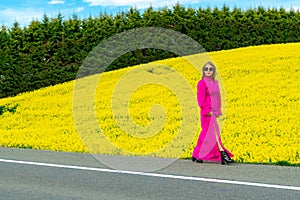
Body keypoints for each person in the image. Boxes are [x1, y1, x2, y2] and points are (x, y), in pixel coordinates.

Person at [192, 61, 234, 165]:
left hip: (214, 111)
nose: (208, 71)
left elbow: (218, 97)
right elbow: (200, 99)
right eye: (206, 69)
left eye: (210, 69)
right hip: (207, 112)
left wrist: (218, 110)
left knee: (208, 134)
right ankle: (222, 154)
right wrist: (207, 111)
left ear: (213, 71)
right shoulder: (201, 83)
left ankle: (197, 154)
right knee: (210, 133)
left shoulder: (215, 82)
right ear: (203, 71)